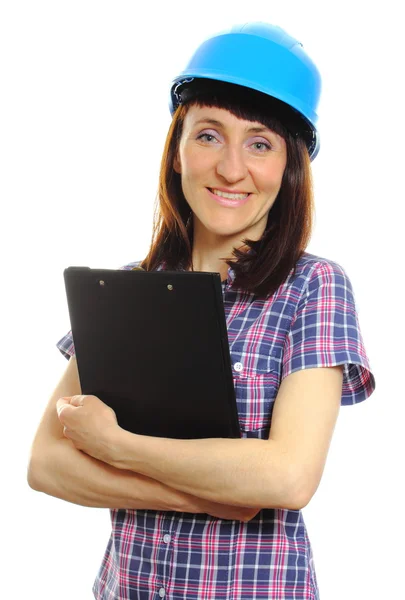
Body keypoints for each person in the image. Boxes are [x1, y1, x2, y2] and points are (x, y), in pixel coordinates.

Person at [28, 22, 376, 600]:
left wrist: (120, 449)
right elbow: (45, 464)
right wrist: (208, 493)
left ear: (289, 169)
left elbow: (287, 476)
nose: (231, 169)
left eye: (259, 143)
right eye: (209, 135)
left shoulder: (314, 287)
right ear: (177, 151)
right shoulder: (128, 291)